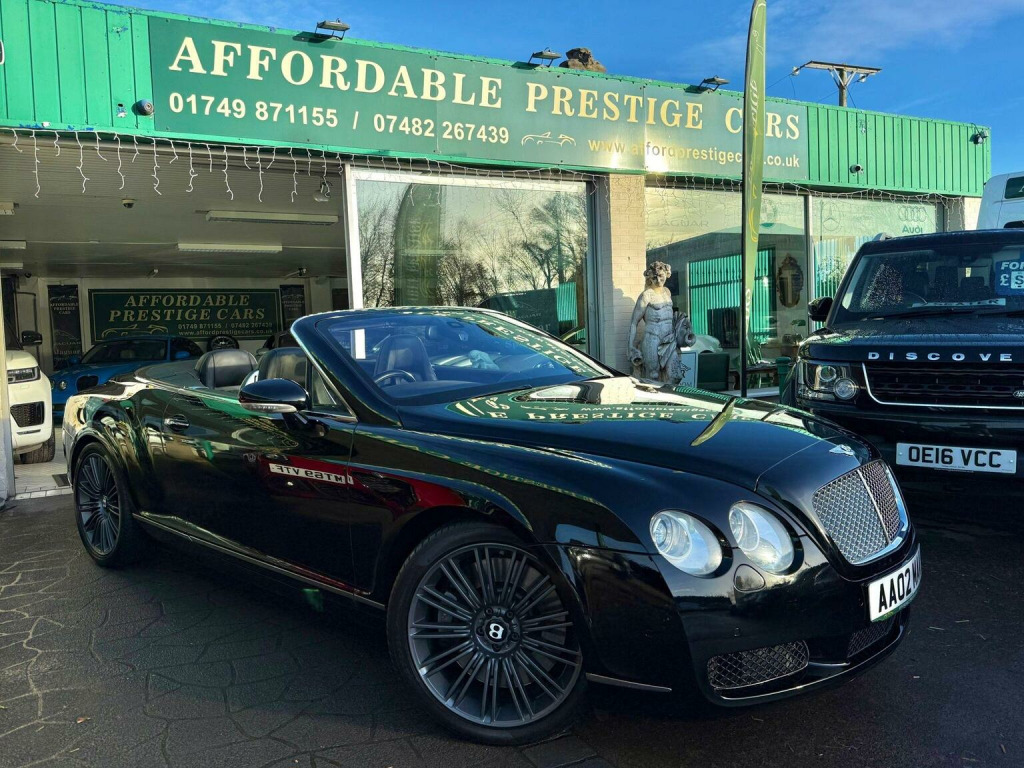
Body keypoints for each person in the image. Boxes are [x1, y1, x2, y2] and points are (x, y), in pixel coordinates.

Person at [628, 261, 695, 382]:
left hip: (669, 340)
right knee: (653, 375)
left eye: (661, 276)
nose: (658, 280)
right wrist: (630, 347)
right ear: (650, 278)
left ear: (666, 274)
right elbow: (634, 322)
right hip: (652, 338)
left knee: (675, 375)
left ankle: (669, 394)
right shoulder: (646, 295)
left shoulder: (667, 292)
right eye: (654, 277)